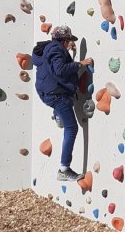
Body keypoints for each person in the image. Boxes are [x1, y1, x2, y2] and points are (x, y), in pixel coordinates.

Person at [32, 25, 93, 181]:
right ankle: (64, 169)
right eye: (69, 40)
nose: (70, 43)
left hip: (48, 92)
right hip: (56, 94)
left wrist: (67, 52)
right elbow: (59, 69)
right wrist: (80, 63)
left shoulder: (49, 49)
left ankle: (58, 115)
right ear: (63, 40)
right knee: (72, 128)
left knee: (64, 108)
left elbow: (53, 67)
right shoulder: (56, 49)